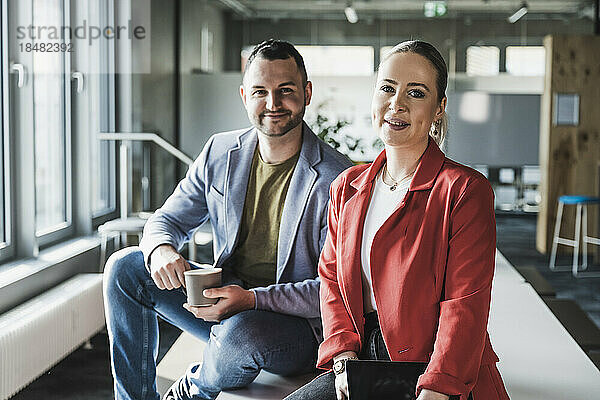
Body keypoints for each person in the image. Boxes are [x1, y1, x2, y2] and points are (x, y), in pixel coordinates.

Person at [103, 39, 353, 400]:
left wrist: (249, 300)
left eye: (286, 90)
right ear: (243, 96)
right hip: (222, 304)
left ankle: (195, 388)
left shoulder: (338, 179)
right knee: (124, 269)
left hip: (292, 329)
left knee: (240, 333)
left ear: (307, 92)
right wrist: (161, 249)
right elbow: (166, 220)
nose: (273, 104)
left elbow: (332, 292)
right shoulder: (220, 151)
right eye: (260, 92)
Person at [285, 40, 510, 400]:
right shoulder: (348, 186)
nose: (397, 103)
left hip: (434, 366)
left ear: (439, 108)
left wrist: (438, 386)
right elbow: (331, 281)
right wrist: (342, 356)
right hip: (363, 359)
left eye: (416, 93)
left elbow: (465, 305)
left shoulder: (465, 190)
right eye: (387, 88)